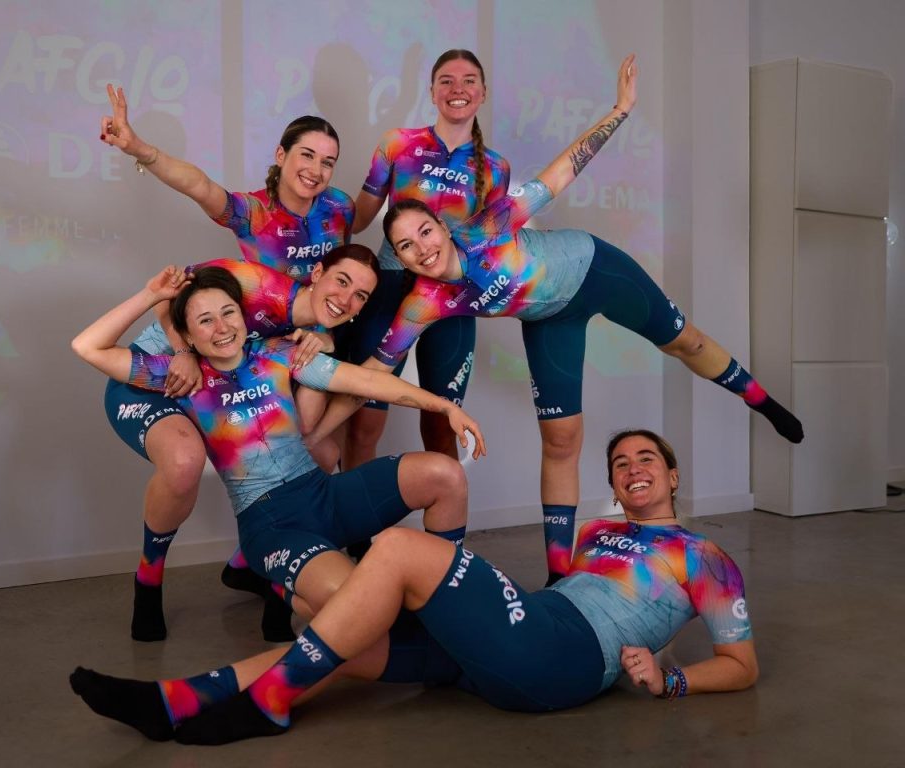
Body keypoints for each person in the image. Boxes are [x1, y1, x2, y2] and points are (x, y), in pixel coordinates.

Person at [311, 54, 803, 586]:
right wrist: (313, 431)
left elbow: (563, 170)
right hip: (548, 318)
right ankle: (557, 576)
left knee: (686, 342)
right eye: (406, 246)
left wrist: (620, 110)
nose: (421, 249)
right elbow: (370, 375)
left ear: (444, 228)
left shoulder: (489, 226)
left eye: (425, 233)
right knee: (562, 440)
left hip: (593, 271)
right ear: (400, 259)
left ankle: (763, 402)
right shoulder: (423, 302)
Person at [69, 428, 758, 745]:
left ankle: (271, 702)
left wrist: (671, 680)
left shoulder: (707, 558)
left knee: (400, 547)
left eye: (646, 459)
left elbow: (742, 665)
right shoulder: (596, 534)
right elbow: (614, 604)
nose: (632, 468)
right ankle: (172, 701)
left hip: (566, 656)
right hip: (529, 630)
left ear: (672, 477)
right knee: (347, 644)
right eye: (620, 463)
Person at [72, 264, 486, 647]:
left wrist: (444, 407)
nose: (222, 327)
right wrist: (150, 296)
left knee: (445, 474)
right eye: (206, 320)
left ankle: (447, 596)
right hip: (270, 522)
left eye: (229, 313)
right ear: (188, 336)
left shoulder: (278, 354)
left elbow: (366, 382)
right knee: (358, 600)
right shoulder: (180, 377)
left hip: (324, 495)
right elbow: (88, 346)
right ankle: (287, 592)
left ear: (243, 315)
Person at [98, 86, 357, 639]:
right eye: (306, 155)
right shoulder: (252, 223)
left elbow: (339, 285)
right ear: (281, 155)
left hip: (240, 358)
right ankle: (148, 579)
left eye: (328, 161)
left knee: (318, 450)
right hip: (172, 362)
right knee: (184, 463)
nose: (316, 170)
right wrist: (139, 147)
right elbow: (196, 191)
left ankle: (256, 569)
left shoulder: (338, 209)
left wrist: (324, 336)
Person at [340, 48, 510, 560]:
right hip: (391, 287)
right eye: (446, 80)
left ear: (482, 92)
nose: (458, 89)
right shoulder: (398, 144)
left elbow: (491, 246)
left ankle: (444, 549)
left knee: (441, 420)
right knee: (365, 417)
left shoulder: (495, 168)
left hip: (451, 301)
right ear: (433, 91)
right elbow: (357, 218)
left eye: (469, 80)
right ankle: (356, 540)